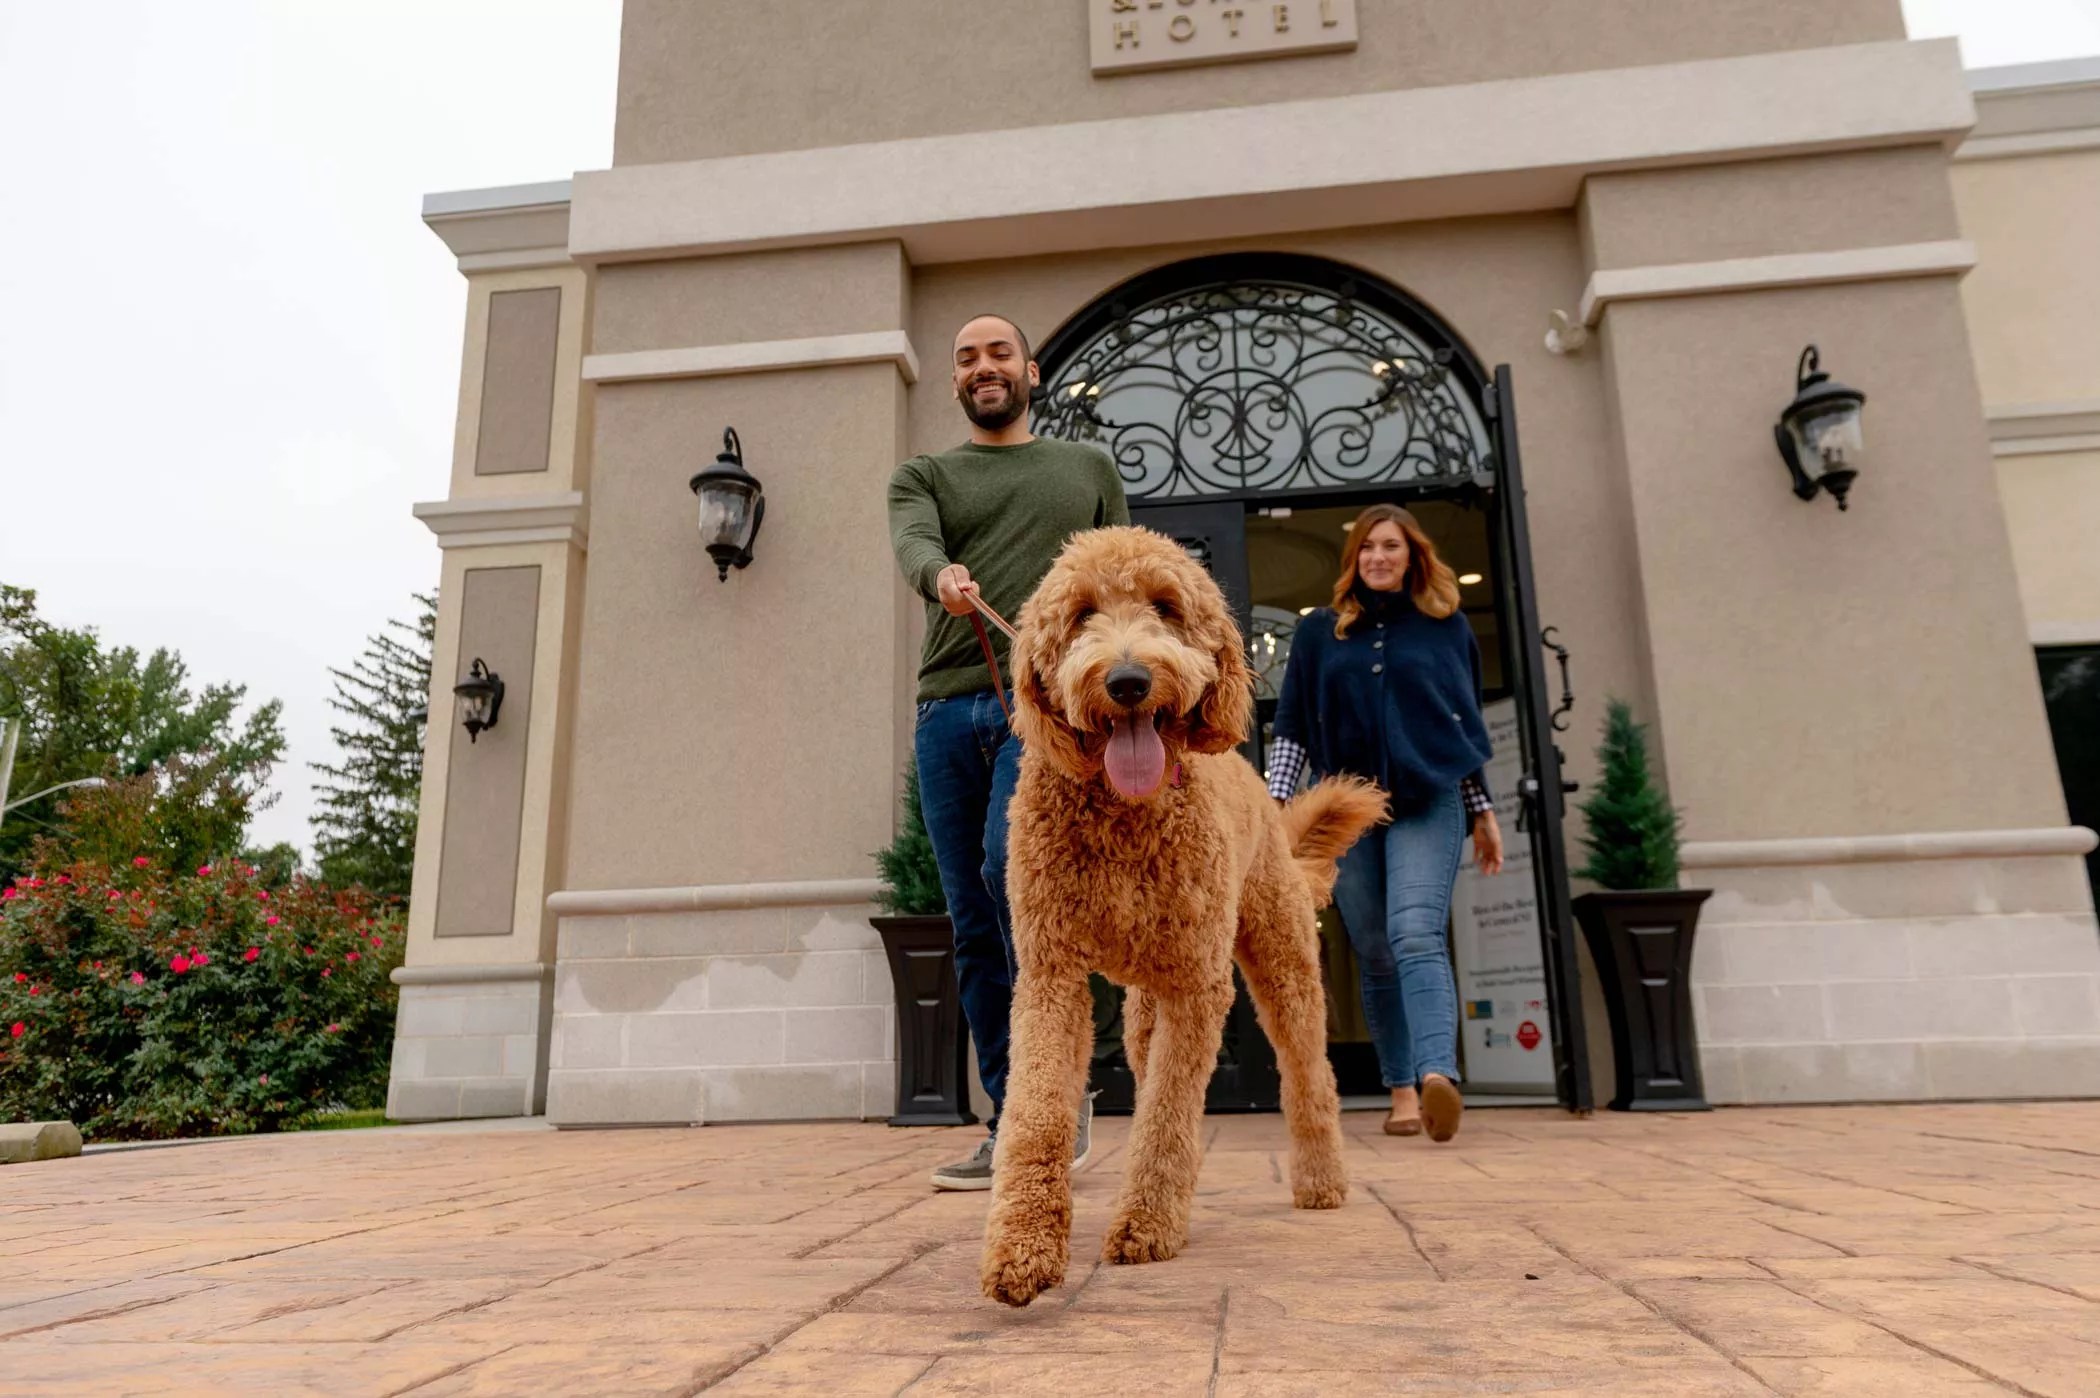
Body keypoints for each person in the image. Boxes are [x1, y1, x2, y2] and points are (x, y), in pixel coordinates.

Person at [888, 313, 1130, 1190]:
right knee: (974, 926)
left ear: (1030, 369)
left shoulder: (1087, 469)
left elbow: (1125, 579)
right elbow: (914, 540)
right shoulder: (925, 475)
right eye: (965, 359)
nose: (982, 367)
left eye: (997, 353)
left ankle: (1066, 1089)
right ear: (955, 381)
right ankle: (1018, 1119)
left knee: (1011, 877)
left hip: (1053, 716)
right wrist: (936, 574)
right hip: (949, 710)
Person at [1265, 504, 1504, 1143]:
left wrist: (1483, 812)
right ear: (1354, 560)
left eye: (1391, 546)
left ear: (1412, 556)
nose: (1379, 557)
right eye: (1368, 547)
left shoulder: (1444, 627)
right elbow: (1291, 729)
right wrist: (1274, 817)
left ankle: (1436, 1076)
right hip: (1348, 809)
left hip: (1428, 799)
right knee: (1373, 949)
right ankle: (1400, 1089)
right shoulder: (1320, 634)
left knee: (1415, 933)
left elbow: (1463, 729)